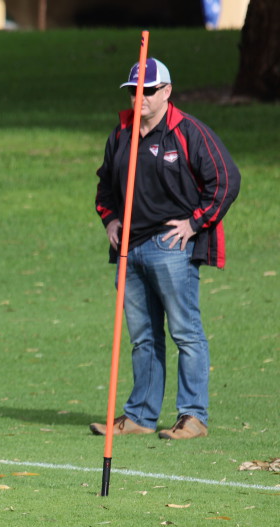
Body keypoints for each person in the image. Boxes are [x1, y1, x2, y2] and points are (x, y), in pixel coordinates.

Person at [91, 58, 240, 440]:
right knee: (143, 336)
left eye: (149, 90)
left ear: (167, 92)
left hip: (171, 248)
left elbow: (225, 179)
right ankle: (140, 416)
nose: (141, 97)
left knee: (185, 333)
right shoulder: (121, 134)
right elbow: (105, 185)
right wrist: (109, 219)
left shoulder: (188, 132)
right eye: (134, 91)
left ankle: (193, 417)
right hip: (130, 250)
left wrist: (194, 222)